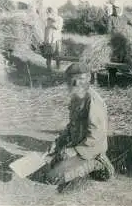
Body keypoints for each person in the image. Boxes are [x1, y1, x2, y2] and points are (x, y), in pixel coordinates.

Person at [44, 63, 115, 192]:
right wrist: (57, 142)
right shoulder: (76, 98)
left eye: (81, 80)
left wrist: (75, 150)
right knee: (51, 168)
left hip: (90, 150)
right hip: (79, 148)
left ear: (87, 80)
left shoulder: (92, 100)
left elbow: (97, 133)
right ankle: (77, 165)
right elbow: (72, 126)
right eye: (71, 80)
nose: (75, 83)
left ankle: (100, 164)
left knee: (53, 179)